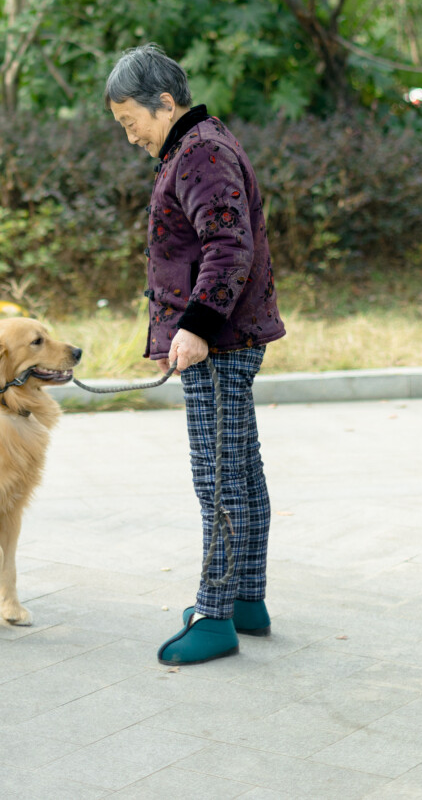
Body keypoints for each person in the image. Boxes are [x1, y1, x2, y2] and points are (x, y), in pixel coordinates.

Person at [105, 43, 285, 666]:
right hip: (221, 339)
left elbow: (227, 246)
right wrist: (173, 333)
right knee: (239, 470)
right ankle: (246, 600)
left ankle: (215, 616)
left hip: (221, 341)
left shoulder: (200, 150)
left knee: (218, 477)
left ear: (165, 101)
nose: (130, 136)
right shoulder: (196, 145)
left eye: (132, 121)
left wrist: (197, 330)